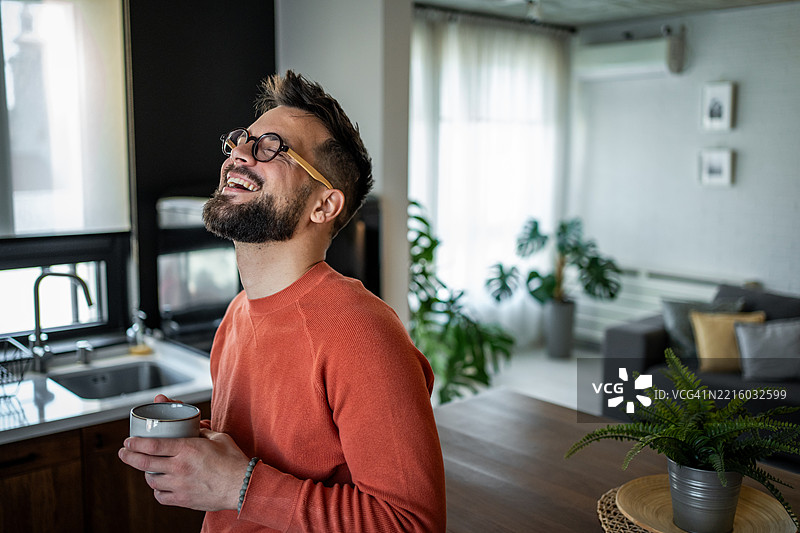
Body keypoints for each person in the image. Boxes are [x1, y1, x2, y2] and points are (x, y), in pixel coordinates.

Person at [118, 71, 447, 532]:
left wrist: (239, 485)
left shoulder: (361, 332)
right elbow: (279, 451)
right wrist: (206, 450)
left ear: (324, 206)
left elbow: (411, 523)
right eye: (240, 140)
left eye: (271, 147)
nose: (239, 154)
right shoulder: (236, 315)